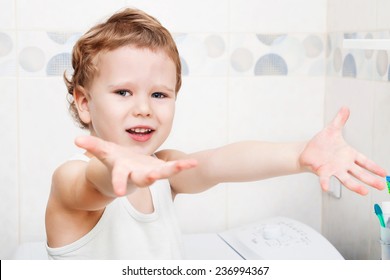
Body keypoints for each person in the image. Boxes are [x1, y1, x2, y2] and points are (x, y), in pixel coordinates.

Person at [45, 7, 387, 260]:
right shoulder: (70, 179)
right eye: (123, 92)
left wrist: (298, 155)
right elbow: (95, 184)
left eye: (159, 94)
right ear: (84, 103)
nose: (144, 108)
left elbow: (219, 163)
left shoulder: (164, 169)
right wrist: (118, 171)